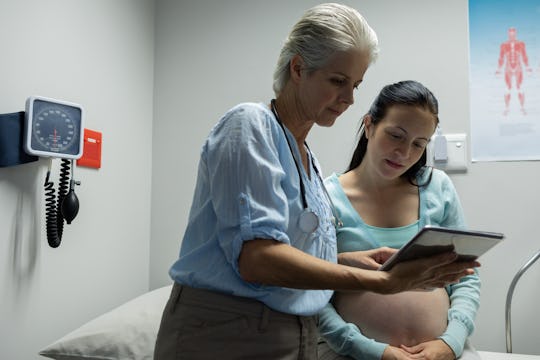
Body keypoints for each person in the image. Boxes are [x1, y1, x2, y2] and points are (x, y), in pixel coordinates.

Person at [153, 5, 480, 360]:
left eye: (355, 85)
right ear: (298, 68)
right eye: (338, 81)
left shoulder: (305, 159)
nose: (349, 98)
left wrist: (349, 261)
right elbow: (257, 259)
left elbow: (293, 253)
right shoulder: (250, 125)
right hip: (227, 331)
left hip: (291, 333)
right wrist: (382, 281)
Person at [317, 80, 481, 360]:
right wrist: (372, 350)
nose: (405, 153)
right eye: (396, 135)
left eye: (419, 144)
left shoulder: (437, 187)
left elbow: (465, 277)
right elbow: (311, 291)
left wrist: (450, 343)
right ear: (369, 125)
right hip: (348, 353)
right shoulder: (325, 196)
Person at [495, 27, 532, 116]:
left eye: (513, 34)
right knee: (508, 88)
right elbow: (501, 58)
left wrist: (528, 67)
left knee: (520, 87)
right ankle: (506, 108)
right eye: (510, 34)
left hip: (518, 67)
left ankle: (522, 108)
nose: (512, 36)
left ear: (515, 34)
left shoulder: (521, 44)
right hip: (508, 67)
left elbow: (524, 56)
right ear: (508, 34)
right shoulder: (503, 45)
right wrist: (498, 69)